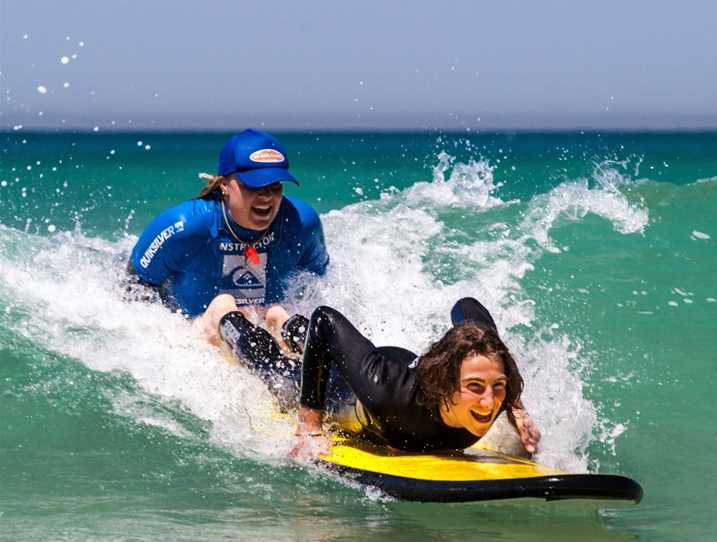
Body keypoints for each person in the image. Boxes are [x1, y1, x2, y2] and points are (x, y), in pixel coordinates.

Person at [211, 295, 541, 456]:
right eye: (474, 387)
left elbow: (466, 306)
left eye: (498, 386)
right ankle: (226, 317)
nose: (489, 400)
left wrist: (516, 405)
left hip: (396, 363)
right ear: (444, 384)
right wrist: (309, 425)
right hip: (355, 388)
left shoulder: (496, 388)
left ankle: (287, 323)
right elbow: (326, 319)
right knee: (278, 375)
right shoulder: (389, 397)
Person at [128, 129, 328, 343]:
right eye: (254, 184)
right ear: (224, 185)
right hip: (196, 330)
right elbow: (135, 287)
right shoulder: (184, 226)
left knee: (280, 314)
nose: (266, 196)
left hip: (267, 321)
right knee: (223, 305)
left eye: (274, 185)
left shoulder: (301, 222)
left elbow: (319, 282)